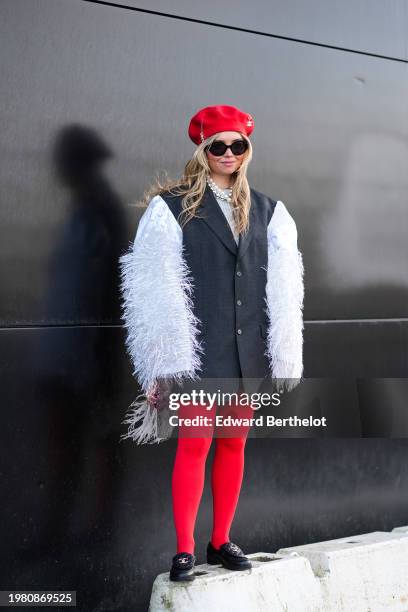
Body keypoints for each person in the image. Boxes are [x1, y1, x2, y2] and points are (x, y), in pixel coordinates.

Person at [118, 104, 305, 581]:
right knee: (194, 445)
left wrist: (283, 353)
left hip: (247, 353)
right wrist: (163, 361)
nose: (227, 153)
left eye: (236, 145)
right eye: (217, 145)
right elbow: (157, 288)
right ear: (202, 151)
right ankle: (183, 549)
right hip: (198, 350)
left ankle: (220, 539)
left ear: (247, 150)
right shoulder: (171, 208)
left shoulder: (270, 211)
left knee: (234, 445)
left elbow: (284, 289)